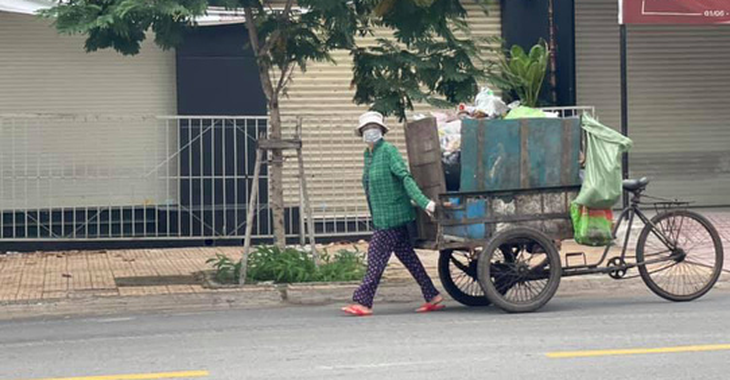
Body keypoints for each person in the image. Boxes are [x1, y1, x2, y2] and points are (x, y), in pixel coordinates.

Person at [341, 111, 444, 316]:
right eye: (367, 128)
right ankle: (432, 295)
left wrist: (425, 203)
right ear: (362, 132)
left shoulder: (388, 151)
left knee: (376, 258)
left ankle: (363, 302)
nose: (371, 132)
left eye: (375, 128)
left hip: (394, 215)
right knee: (407, 256)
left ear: (381, 131)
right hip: (381, 216)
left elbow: (405, 178)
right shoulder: (368, 156)